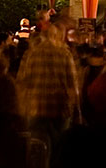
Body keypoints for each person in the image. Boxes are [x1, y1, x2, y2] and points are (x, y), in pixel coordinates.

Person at [16, 25, 80, 154]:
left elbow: (21, 82)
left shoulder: (30, 54)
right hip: (60, 108)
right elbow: (72, 84)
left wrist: (22, 108)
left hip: (36, 108)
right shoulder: (65, 54)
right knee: (59, 149)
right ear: (56, 36)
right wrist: (76, 109)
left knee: (38, 149)